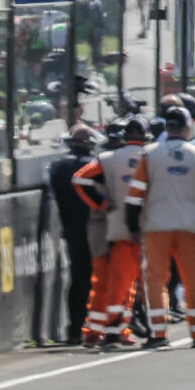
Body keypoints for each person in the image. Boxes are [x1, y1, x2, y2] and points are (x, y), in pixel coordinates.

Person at [127, 107, 195, 348]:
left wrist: (132, 225)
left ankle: (159, 334)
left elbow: (134, 196)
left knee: (155, 279)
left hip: (156, 226)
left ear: (166, 127)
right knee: (194, 279)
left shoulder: (149, 154)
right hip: (187, 226)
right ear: (187, 127)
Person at [72, 116, 147, 348]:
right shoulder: (109, 161)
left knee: (120, 282)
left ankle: (109, 329)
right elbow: (81, 180)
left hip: (118, 228)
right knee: (110, 282)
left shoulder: (113, 160)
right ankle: (100, 331)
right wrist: (104, 205)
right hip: (110, 228)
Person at [47, 125, 102, 344]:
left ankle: (74, 329)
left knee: (78, 279)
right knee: (101, 279)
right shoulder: (95, 165)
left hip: (71, 229)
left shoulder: (58, 167)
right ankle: (97, 327)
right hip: (96, 228)